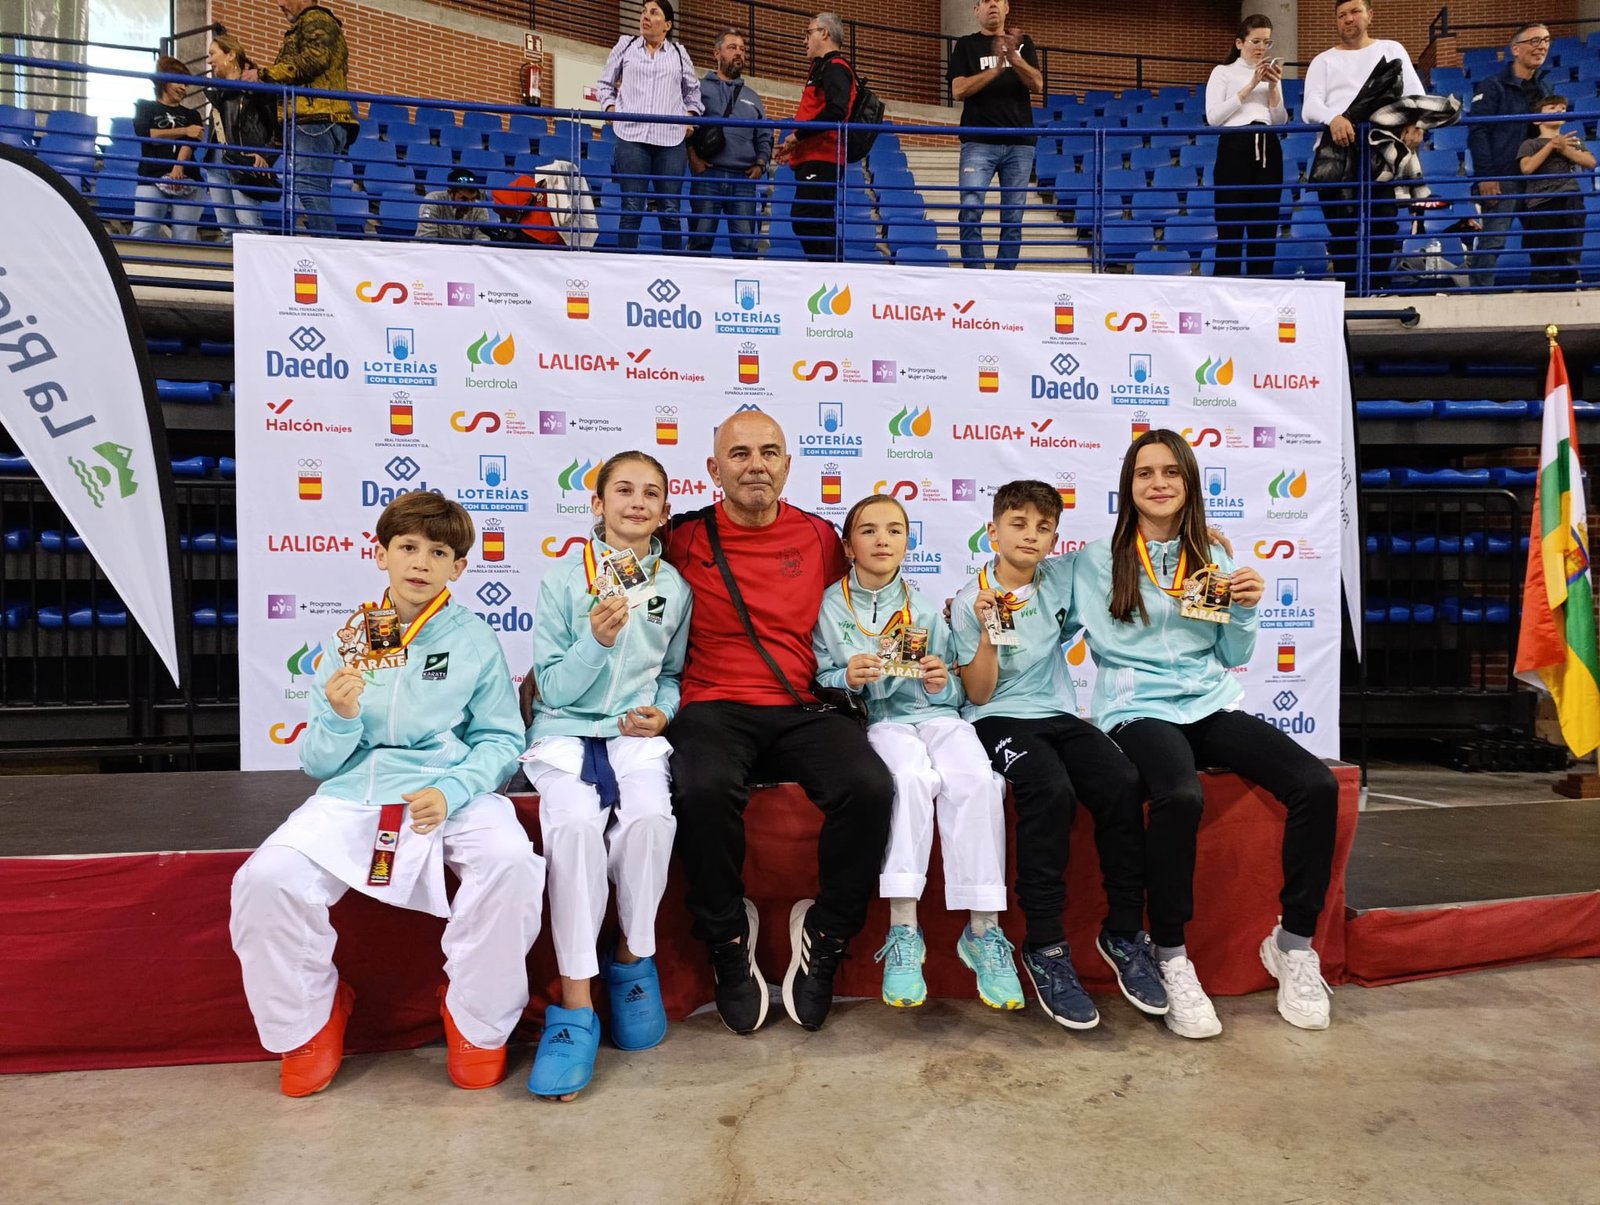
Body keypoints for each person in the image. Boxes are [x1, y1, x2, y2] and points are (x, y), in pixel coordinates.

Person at [229, 493, 544, 1096]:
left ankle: (476, 1018)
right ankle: (308, 1022)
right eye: (406, 547)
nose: (420, 562)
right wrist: (341, 716)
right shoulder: (351, 636)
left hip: (449, 791)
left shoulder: (475, 639)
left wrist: (452, 790)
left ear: (458, 567)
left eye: (438, 551)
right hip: (358, 792)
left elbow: (502, 739)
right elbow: (317, 761)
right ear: (380, 554)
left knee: (511, 865)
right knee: (264, 880)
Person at [1070, 430, 1340, 1036]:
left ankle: (1293, 943)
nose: (1158, 483)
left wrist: (1246, 607)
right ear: (1129, 486)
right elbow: (1037, 614)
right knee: (1180, 794)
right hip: (1137, 706)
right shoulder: (1093, 560)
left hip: (1207, 700)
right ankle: (1170, 953)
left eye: (1171, 472)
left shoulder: (1211, 557)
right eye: (1145, 473)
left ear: (1188, 483)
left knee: (1316, 785)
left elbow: (1231, 650)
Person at [663, 410, 893, 1034]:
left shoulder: (821, 539)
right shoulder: (681, 538)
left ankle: (827, 930)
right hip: (712, 704)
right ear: (714, 470)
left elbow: (866, 601)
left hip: (800, 703)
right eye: (739, 455)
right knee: (703, 790)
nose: (755, 464)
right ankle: (726, 940)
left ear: (789, 465)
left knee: (870, 787)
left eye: (769, 451)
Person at [949, 481, 1166, 1031]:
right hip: (996, 717)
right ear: (993, 531)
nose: (1031, 536)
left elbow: (1123, 547)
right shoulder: (967, 600)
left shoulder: (1060, 577)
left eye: (1043, 528)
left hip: (1060, 716)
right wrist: (987, 635)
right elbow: (976, 694)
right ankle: (1044, 947)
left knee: (1121, 778)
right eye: (1018, 524)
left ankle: (1123, 934)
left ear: (1053, 540)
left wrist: (1191, 541)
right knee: (1050, 791)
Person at [522, 452, 691, 1101]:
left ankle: (630, 960)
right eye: (624, 490)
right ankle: (576, 1002)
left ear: (664, 510)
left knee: (652, 818)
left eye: (651, 493)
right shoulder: (563, 580)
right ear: (596, 504)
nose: (637, 502)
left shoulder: (672, 587)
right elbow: (553, 686)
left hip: (634, 736)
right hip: (565, 731)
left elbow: (672, 673)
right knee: (572, 829)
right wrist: (594, 638)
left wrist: (665, 710)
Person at [812, 495, 1022, 1011]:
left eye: (894, 530)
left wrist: (936, 681)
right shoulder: (827, 605)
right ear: (848, 545)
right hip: (881, 723)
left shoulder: (925, 606)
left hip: (936, 718)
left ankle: (983, 932)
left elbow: (952, 686)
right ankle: (904, 930)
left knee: (980, 780)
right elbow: (816, 678)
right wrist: (846, 678)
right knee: (906, 780)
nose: (882, 540)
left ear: (908, 542)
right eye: (868, 531)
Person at [1301, 0, 1423, 288]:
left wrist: (1416, 122)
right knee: (1341, 229)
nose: (1348, 19)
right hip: (1335, 153)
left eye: (1355, 12)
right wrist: (1335, 118)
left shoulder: (1391, 49)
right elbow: (1310, 106)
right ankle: (1346, 294)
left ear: (1370, 15)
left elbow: (1415, 94)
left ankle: (1379, 287)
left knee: (1384, 223)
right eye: (1342, 15)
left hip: (1381, 150)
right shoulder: (1323, 60)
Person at [595, 0, 703, 252]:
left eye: (653, 13)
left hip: (671, 141)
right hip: (632, 137)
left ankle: (671, 268)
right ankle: (627, 266)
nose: (645, 16)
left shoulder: (679, 53)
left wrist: (690, 117)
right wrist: (611, 110)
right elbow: (604, 84)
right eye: (643, 11)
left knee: (670, 210)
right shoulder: (626, 46)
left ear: (667, 24)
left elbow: (693, 94)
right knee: (632, 207)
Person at [246, 0, 355, 235]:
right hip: (316, 119)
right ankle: (326, 247)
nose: (279, 4)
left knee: (308, 186)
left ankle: (327, 249)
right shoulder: (314, 22)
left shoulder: (316, 18)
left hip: (315, 119)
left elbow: (314, 60)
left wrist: (263, 74)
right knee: (314, 188)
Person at [947, 0, 1042, 270]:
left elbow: (1037, 84)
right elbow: (958, 90)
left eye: (997, 1)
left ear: (1007, 8)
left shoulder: (1024, 45)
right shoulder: (966, 45)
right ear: (975, 11)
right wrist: (996, 69)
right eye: (985, 1)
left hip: (1020, 144)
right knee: (970, 212)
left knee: (1013, 218)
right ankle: (977, 278)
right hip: (978, 142)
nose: (992, 5)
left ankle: (1003, 281)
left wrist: (1013, 58)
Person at [1466, 23, 1552, 287]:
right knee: (1493, 242)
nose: (1542, 46)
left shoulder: (1545, 89)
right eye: (1535, 41)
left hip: (1538, 179)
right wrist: (1487, 176)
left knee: (1543, 241)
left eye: (1546, 40)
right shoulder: (1492, 86)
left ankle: (1546, 295)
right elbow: (1478, 132)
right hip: (1503, 179)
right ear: (1516, 49)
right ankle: (1480, 301)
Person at [1205, 16, 1287, 277]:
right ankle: (1224, 293)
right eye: (1255, 41)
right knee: (1230, 226)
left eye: (1266, 42)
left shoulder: (1271, 73)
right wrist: (1251, 85)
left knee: (1264, 227)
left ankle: (1262, 288)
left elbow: (1279, 120)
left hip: (1267, 146)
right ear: (1239, 42)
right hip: (1235, 146)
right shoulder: (1223, 72)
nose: (1261, 47)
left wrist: (1272, 85)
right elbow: (1214, 117)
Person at [775, 13, 856, 262]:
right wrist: (795, 142)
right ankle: (829, 272)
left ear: (824, 33)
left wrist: (797, 135)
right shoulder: (823, 67)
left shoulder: (836, 67)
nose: (804, 40)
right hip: (813, 157)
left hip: (824, 158)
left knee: (806, 218)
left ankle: (830, 271)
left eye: (808, 33)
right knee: (816, 222)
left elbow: (836, 111)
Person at [687, 29, 771, 258]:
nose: (739, 53)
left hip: (743, 180)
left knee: (745, 247)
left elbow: (764, 134)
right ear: (717, 53)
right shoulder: (698, 89)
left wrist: (761, 163)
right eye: (732, 48)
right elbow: (687, 125)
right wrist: (693, 157)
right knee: (699, 243)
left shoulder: (753, 97)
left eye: (742, 49)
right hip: (708, 177)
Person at [203, 35, 278, 241]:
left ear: (231, 54)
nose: (209, 61)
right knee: (227, 229)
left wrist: (266, 156)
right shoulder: (218, 90)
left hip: (243, 161)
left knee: (249, 225)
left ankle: (256, 272)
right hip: (216, 163)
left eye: (212, 54)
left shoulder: (257, 88)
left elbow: (276, 127)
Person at [1518, 95, 1595, 288]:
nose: (1558, 111)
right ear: (1537, 119)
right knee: (1543, 250)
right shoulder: (1530, 144)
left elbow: (1591, 162)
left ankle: (1571, 283)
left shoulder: (1573, 141)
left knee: (1571, 246)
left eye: (1561, 108)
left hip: (1571, 199)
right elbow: (1526, 168)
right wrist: (1551, 146)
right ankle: (1543, 288)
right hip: (1541, 203)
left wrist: (1565, 149)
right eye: (1551, 108)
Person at [131, 55, 203, 242]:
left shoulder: (192, 114)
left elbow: (190, 143)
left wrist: (178, 167)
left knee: (185, 238)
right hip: (151, 175)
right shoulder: (145, 107)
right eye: (178, 82)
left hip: (187, 177)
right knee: (143, 232)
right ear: (163, 82)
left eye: (186, 84)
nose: (183, 88)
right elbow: (148, 135)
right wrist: (185, 129)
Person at [417, 166, 493, 241]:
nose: (470, 204)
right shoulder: (433, 200)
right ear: (450, 193)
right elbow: (426, 238)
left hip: (466, 252)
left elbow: (482, 240)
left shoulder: (480, 209)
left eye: (473, 199)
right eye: (464, 199)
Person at [487, 174, 565, 245]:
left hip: (526, 234)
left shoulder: (527, 183)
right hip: (548, 240)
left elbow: (499, 200)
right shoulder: (559, 197)